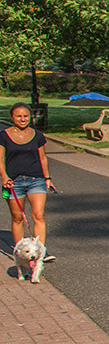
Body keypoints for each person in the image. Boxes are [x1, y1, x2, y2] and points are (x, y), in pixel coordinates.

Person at [2, 102, 57, 261]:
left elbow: (42, 158)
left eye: (25, 116)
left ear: (30, 117)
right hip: (14, 182)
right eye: (18, 116)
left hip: (36, 179)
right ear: (12, 117)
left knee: (39, 215)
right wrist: (5, 177)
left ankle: (41, 252)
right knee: (17, 217)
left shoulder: (38, 135)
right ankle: (21, 251)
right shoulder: (3, 136)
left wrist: (47, 178)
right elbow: (0, 160)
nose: (22, 119)